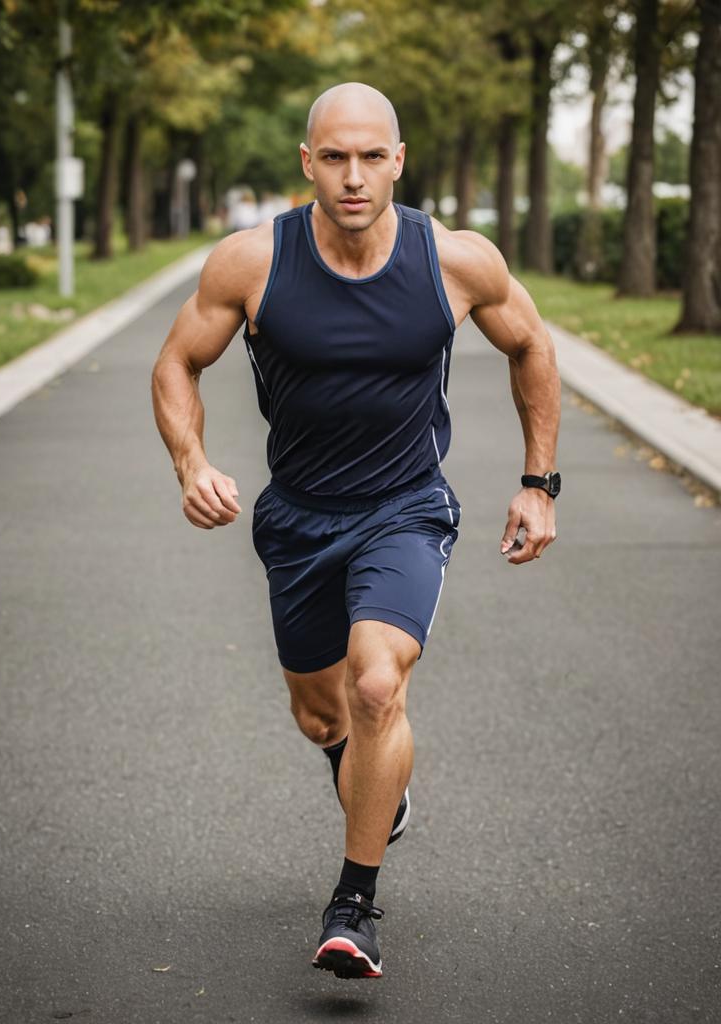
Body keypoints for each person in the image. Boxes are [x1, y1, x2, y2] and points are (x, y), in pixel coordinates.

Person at [151, 82, 561, 980]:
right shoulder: (252, 263)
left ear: (399, 161)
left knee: (379, 683)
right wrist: (192, 463)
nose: (353, 176)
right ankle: (360, 767)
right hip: (297, 518)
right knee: (320, 712)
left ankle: (354, 903)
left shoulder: (453, 261)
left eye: (372, 156)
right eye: (334, 157)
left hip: (405, 507)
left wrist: (538, 484)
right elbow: (178, 361)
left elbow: (530, 344)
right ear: (307, 164)